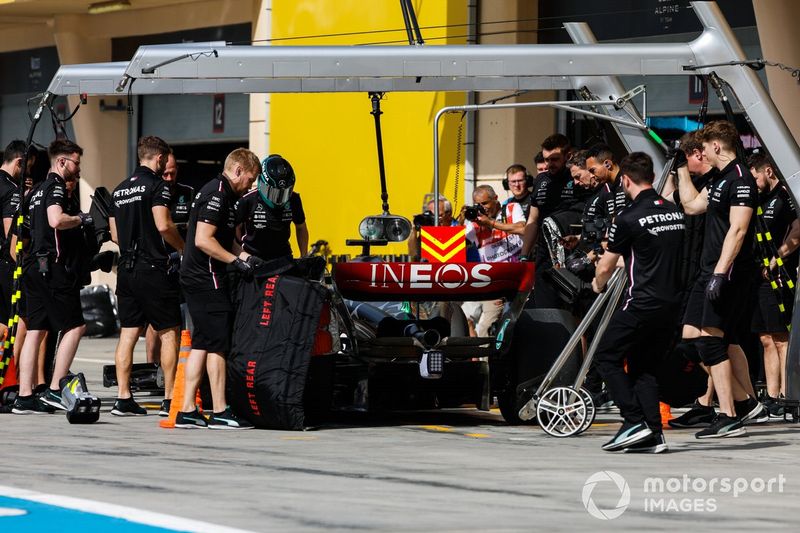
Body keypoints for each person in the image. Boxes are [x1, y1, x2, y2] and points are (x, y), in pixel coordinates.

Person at [676, 120, 767, 439]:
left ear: (717, 146)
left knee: (711, 339)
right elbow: (690, 206)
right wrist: (680, 169)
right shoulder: (719, 179)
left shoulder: (741, 178)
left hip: (726, 272)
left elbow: (739, 229)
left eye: (705, 148)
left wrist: (719, 273)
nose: (702, 153)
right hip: (707, 270)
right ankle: (743, 403)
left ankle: (729, 414)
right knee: (691, 337)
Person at [591, 152, 685, 453]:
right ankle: (654, 435)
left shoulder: (627, 218)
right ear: (652, 177)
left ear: (625, 180)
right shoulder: (674, 212)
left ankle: (633, 421)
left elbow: (606, 266)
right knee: (644, 368)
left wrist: (597, 283)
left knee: (606, 356)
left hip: (641, 302)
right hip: (672, 305)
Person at [175, 148, 261, 430]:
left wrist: (248, 257)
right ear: (237, 170)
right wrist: (236, 262)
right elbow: (203, 240)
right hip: (205, 277)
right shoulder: (217, 194)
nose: (252, 185)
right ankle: (221, 410)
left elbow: (224, 240)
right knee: (219, 343)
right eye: (250, 178)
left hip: (199, 276)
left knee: (203, 342)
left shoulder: (224, 194)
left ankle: (187, 409)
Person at [13, 139, 92, 414]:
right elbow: (56, 220)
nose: (77, 167)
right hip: (52, 266)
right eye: (76, 162)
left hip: (32, 266)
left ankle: (25, 396)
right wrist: (82, 219)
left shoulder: (33, 191)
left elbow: (20, 229)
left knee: (36, 329)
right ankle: (56, 389)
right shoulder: (56, 185)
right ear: (61, 162)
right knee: (75, 327)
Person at [109, 136, 184, 416]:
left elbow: (115, 235)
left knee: (128, 334)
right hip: (153, 267)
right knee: (168, 332)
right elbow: (164, 225)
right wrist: (183, 248)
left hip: (126, 270)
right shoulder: (158, 186)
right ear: (159, 158)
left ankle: (123, 398)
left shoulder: (119, 190)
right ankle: (169, 398)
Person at [749, 151, 800, 416]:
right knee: (765, 338)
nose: (753, 181)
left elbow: (798, 230)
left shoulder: (785, 195)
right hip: (759, 278)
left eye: (755, 176)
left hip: (781, 276)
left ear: (768, 171)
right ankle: (771, 395)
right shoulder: (760, 198)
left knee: (781, 338)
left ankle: (786, 395)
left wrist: (777, 257)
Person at [144, 152, 194, 379]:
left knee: (181, 316)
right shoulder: (152, 190)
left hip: (184, 259)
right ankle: (151, 366)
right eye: (165, 173)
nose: (169, 177)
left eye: (172, 173)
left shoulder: (188, 193)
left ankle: (178, 367)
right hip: (159, 262)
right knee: (157, 321)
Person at [459, 184, 524, 336]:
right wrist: (462, 223)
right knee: (485, 329)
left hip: (519, 280)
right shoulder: (475, 224)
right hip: (495, 285)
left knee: (516, 327)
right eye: (478, 205)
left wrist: (491, 223)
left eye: (485, 203)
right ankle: (487, 359)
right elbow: (456, 246)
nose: (482, 208)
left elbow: (523, 228)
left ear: (495, 199)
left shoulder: (512, 208)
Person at [521, 134, 578, 308]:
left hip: (572, 251)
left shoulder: (577, 178)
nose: (549, 164)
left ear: (568, 156)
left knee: (574, 304)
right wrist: (524, 256)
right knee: (545, 303)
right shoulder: (541, 180)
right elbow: (532, 219)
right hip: (544, 253)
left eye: (554, 159)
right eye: (546, 159)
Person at [235, 154, 309, 261]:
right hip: (253, 258)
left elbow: (301, 227)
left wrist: (304, 256)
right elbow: (234, 228)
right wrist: (243, 255)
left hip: (283, 257)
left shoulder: (294, 199)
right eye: (274, 192)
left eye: (283, 193)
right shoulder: (247, 200)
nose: (279, 198)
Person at [0, 140, 24, 340]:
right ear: (19, 162)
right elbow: (11, 233)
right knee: (7, 323)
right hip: (4, 266)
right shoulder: (11, 189)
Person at [407, 195, 456, 261]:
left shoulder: (456, 228)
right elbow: (412, 254)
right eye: (431, 215)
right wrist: (414, 230)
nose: (434, 219)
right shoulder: (427, 231)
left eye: (439, 215)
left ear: (449, 214)